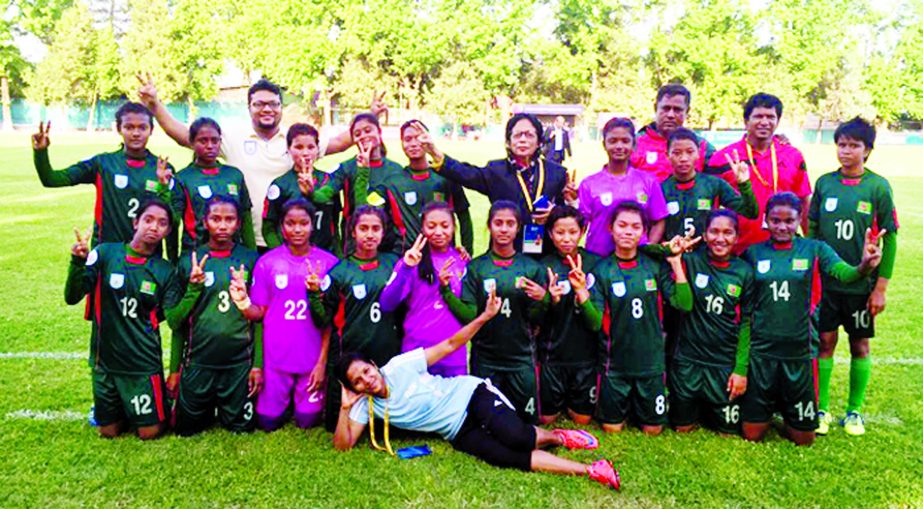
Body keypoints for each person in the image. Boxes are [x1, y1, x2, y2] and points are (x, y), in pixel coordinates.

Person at [332, 293, 621, 491]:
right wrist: (345, 408)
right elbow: (342, 447)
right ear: (353, 387)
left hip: (470, 396)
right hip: (456, 430)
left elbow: (448, 345)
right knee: (506, 457)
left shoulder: (398, 367)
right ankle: (592, 469)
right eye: (358, 381)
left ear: (373, 364)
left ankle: (558, 437)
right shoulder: (364, 406)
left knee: (517, 437)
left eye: (367, 371)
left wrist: (484, 317)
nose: (367, 380)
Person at [137, 76, 386, 250]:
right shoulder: (232, 137)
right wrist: (155, 106)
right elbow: (184, 136)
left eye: (273, 104)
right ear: (249, 107)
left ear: (280, 107)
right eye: (259, 104)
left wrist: (370, 116)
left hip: (289, 240)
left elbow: (341, 141)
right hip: (243, 240)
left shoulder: (297, 140)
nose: (267, 109)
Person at [740, 192, 882, 446]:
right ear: (766, 220)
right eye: (775, 220)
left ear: (799, 219)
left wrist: (865, 266)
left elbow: (845, 274)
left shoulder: (815, 249)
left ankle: (788, 408)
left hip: (799, 353)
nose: (782, 226)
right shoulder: (753, 253)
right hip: (762, 353)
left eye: (789, 221)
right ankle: (770, 406)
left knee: (805, 439)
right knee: (752, 435)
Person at [810, 117, 899, 436]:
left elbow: (890, 237)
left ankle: (854, 412)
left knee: (860, 345)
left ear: (868, 150)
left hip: (862, 285)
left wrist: (881, 288)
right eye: (842, 144)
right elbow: (813, 231)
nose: (845, 151)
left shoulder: (878, 186)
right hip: (827, 284)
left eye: (854, 145)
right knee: (824, 342)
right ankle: (820, 409)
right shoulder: (824, 183)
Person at [64, 198, 179, 439]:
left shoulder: (164, 270)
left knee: (150, 433)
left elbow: (169, 317)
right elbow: (73, 297)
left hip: (142, 362)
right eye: (148, 220)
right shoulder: (105, 253)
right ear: (136, 222)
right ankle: (123, 406)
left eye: (162, 223)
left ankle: (153, 401)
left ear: (168, 231)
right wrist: (77, 262)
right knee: (109, 432)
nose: (153, 227)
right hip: (104, 360)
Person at [229, 198, 339, 431]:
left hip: (311, 361)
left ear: (312, 225)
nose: (297, 229)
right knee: (268, 423)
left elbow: (331, 323)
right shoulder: (267, 263)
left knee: (307, 421)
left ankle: (306, 395)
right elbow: (258, 313)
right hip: (275, 361)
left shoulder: (328, 263)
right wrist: (242, 301)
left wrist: (322, 364)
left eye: (304, 223)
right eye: (290, 223)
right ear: (281, 226)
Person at [581, 201, 689, 435]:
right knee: (612, 428)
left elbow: (684, 303)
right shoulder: (602, 270)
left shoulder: (654, 266)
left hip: (650, 364)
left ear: (644, 231)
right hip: (614, 365)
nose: (628, 231)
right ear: (611, 228)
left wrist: (676, 264)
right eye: (622, 225)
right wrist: (582, 296)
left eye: (635, 226)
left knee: (653, 430)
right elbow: (594, 323)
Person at [442, 201, 549, 423]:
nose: (504, 229)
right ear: (489, 226)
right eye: (498, 223)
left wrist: (544, 299)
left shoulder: (531, 268)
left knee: (527, 421)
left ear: (518, 228)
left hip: (521, 357)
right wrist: (446, 292)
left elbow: (538, 319)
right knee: (485, 422)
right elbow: (469, 317)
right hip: (486, 358)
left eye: (510, 224)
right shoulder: (476, 268)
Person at [165, 196, 261, 435]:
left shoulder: (250, 259)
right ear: (205, 222)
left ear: (238, 223)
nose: (222, 225)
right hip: (198, 362)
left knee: (242, 428)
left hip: (239, 363)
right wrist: (174, 370)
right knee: (185, 429)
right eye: (215, 219)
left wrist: (257, 366)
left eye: (229, 219)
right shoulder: (189, 261)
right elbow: (176, 323)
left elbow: (259, 319)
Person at [307, 206, 401, 430]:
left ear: (383, 231)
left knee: (388, 419)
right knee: (336, 425)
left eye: (376, 228)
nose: (370, 234)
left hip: (387, 347)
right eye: (364, 228)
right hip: (350, 352)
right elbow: (323, 320)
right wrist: (312, 294)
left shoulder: (394, 263)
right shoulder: (340, 272)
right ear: (352, 232)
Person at [32, 104, 174, 251]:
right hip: (106, 253)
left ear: (151, 130)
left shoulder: (163, 169)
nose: (136, 133)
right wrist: (40, 152)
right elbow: (51, 179)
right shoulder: (102, 164)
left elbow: (172, 221)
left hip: (148, 256)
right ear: (119, 129)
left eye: (142, 127)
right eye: (129, 127)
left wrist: (173, 262)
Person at [429, 113, 573, 255]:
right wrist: (435, 154)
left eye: (529, 135)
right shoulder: (496, 171)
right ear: (508, 142)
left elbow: (568, 215)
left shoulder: (557, 173)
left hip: (546, 252)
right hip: (506, 253)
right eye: (517, 135)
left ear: (539, 142)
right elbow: (466, 173)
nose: (523, 139)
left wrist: (559, 209)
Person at [666, 210, 753, 435]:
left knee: (728, 431)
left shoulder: (744, 271)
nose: (720, 238)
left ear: (736, 237)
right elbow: (650, 252)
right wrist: (673, 252)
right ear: (704, 235)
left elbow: (746, 322)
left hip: (722, 363)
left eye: (727, 233)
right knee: (682, 427)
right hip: (688, 361)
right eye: (714, 231)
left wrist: (740, 370)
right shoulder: (691, 260)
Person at [707, 93, 812, 254]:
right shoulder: (723, 158)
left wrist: (810, 242)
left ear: (777, 121)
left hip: (784, 249)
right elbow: (710, 207)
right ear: (746, 121)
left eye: (770, 117)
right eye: (758, 116)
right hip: (737, 251)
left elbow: (804, 201)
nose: (764, 122)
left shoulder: (793, 155)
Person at [379, 202, 470, 377]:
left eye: (445, 226)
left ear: (453, 228)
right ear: (422, 228)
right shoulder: (413, 260)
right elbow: (386, 303)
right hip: (417, 354)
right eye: (431, 226)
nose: (438, 232)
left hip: (454, 356)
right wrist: (406, 267)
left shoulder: (461, 261)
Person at [537, 205, 601, 425]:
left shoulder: (596, 264)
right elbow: (535, 319)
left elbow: (596, 324)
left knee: (581, 419)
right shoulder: (543, 266)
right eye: (560, 232)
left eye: (572, 232)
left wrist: (582, 291)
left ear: (582, 232)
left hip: (585, 358)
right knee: (547, 418)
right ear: (550, 234)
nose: (566, 239)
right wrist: (549, 300)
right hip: (552, 356)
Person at [372, 120, 474, 254]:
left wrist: (468, 250)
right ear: (402, 144)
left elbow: (463, 214)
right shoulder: (392, 183)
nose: (413, 144)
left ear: (428, 139)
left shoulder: (446, 177)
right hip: (407, 258)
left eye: (419, 138)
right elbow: (368, 207)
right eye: (408, 139)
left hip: (443, 258)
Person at [309, 113, 404, 253]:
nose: (364, 136)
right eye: (357, 134)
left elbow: (371, 207)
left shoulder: (395, 170)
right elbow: (326, 193)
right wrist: (310, 192)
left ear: (379, 131)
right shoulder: (346, 167)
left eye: (368, 130)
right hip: (354, 246)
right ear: (353, 140)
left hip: (388, 246)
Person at [579, 117, 668, 257]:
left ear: (634, 145)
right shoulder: (589, 184)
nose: (619, 146)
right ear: (604, 144)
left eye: (625, 141)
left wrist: (648, 249)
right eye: (613, 141)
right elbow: (580, 225)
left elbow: (659, 220)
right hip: (598, 259)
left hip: (636, 261)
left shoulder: (648, 181)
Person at [171, 117, 255, 254]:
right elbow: (173, 224)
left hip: (232, 255)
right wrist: (174, 260)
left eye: (214, 141)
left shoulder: (234, 175)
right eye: (203, 141)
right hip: (195, 253)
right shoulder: (183, 178)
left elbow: (246, 218)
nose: (210, 146)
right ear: (191, 143)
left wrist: (252, 254)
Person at [661, 128, 758, 240]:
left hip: (706, 255)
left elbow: (751, 212)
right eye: (677, 153)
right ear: (667, 155)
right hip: (674, 255)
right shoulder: (661, 189)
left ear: (699, 153)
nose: (684, 158)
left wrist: (744, 184)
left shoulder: (714, 184)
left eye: (690, 152)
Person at [262, 123, 342, 256]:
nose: (305, 153)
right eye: (299, 147)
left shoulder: (329, 180)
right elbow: (268, 228)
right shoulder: (280, 185)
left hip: (324, 255)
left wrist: (338, 256)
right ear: (289, 148)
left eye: (311, 147)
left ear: (318, 149)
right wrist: (281, 254)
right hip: (291, 257)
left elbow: (335, 224)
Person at [632, 84, 716, 182]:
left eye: (677, 110)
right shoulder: (633, 144)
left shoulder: (703, 147)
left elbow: (717, 187)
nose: (670, 115)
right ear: (655, 108)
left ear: (687, 111)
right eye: (666, 108)